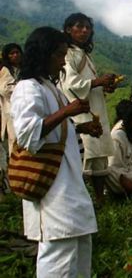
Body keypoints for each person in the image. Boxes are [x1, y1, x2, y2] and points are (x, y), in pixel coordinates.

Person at [11, 26, 99, 278]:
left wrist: (81, 126)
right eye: (59, 55)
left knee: (80, 249)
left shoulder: (49, 87)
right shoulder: (28, 88)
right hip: (52, 187)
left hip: (68, 185)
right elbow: (28, 135)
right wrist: (67, 112)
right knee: (58, 253)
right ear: (45, 54)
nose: (63, 62)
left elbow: (55, 131)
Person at [59, 12, 116, 204]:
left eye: (87, 28)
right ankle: (80, 199)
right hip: (80, 111)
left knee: (98, 155)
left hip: (94, 108)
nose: (84, 31)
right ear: (68, 29)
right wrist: (98, 81)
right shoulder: (67, 53)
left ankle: (99, 199)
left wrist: (103, 85)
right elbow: (70, 83)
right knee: (84, 154)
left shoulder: (84, 55)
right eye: (79, 27)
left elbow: (86, 82)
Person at [0, 43, 23, 153]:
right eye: (11, 53)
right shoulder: (5, 70)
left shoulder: (23, 68)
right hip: (11, 108)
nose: (15, 55)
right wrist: (21, 87)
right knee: (13, 137)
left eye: (17, 52)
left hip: (23, 106)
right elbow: (4, 89)